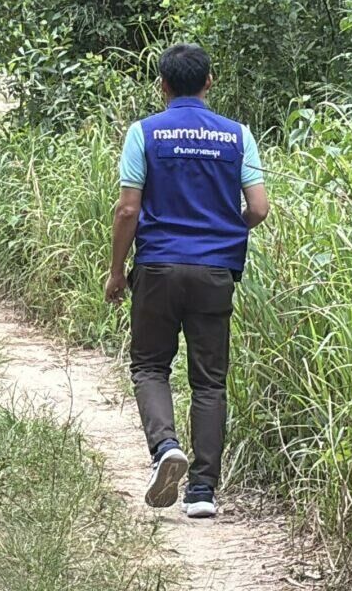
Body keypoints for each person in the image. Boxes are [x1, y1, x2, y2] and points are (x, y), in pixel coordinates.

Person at [104, 44, 269, 519]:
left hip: (156, 268)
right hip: (216, 272)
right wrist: (223, 229)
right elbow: (258, 208)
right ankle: (202, 492)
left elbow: (128, 208)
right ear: (209, 81)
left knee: (151, 366)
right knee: (210, 381)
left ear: (163, 85)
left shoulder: (144, 133)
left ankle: (164, 448)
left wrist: (117, 270)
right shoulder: (238, 136)